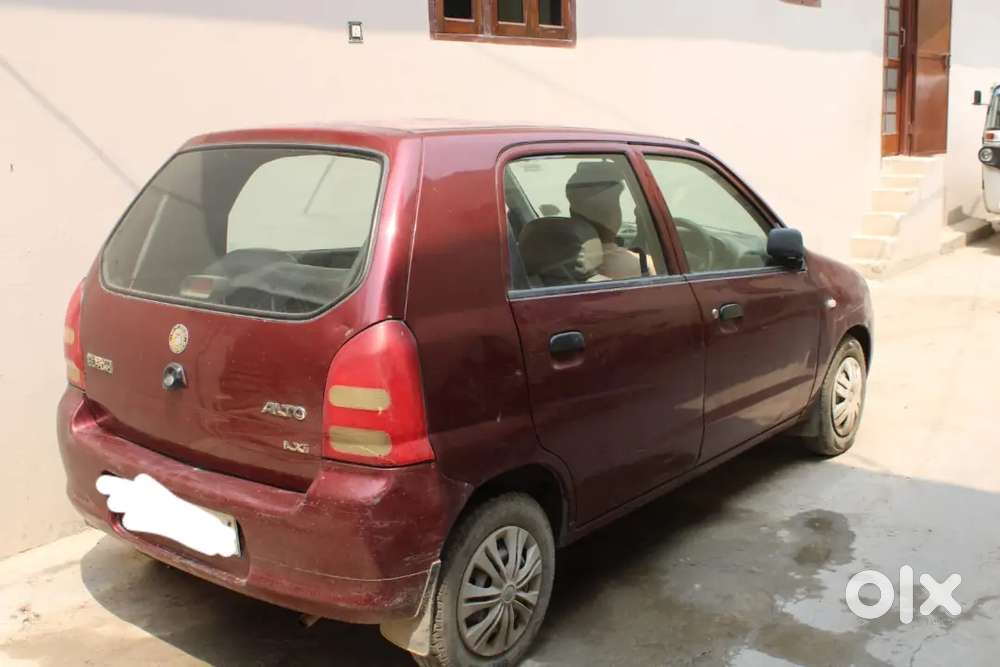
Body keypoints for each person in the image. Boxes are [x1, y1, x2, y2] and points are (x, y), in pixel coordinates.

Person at [565, 162, 648, 280]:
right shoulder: (638, 266)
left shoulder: (552, 258)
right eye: (616, 202)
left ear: (571, 209)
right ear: (612, 211)